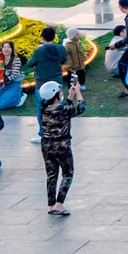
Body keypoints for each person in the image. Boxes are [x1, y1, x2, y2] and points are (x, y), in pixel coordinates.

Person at [37, 81, 77, 216]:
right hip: (61, 145)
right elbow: (80, 109)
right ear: (55, 95)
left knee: (51, 175)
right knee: (68, 173)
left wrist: (70, 97)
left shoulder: (44, 108)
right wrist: (78, 94)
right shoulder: (62, 109)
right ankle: (59, 204)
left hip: (46, 144)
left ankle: (50, 205)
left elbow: (64, 109)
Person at [28, 25, 68, 143]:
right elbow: (64, 60)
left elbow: (30, 63)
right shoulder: (60, 48)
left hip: (42, 83)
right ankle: (61, 130)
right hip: (57, 81)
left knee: (41, 109)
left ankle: (43, 133)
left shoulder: (39, 50)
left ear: (42, 37)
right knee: (59, 107)